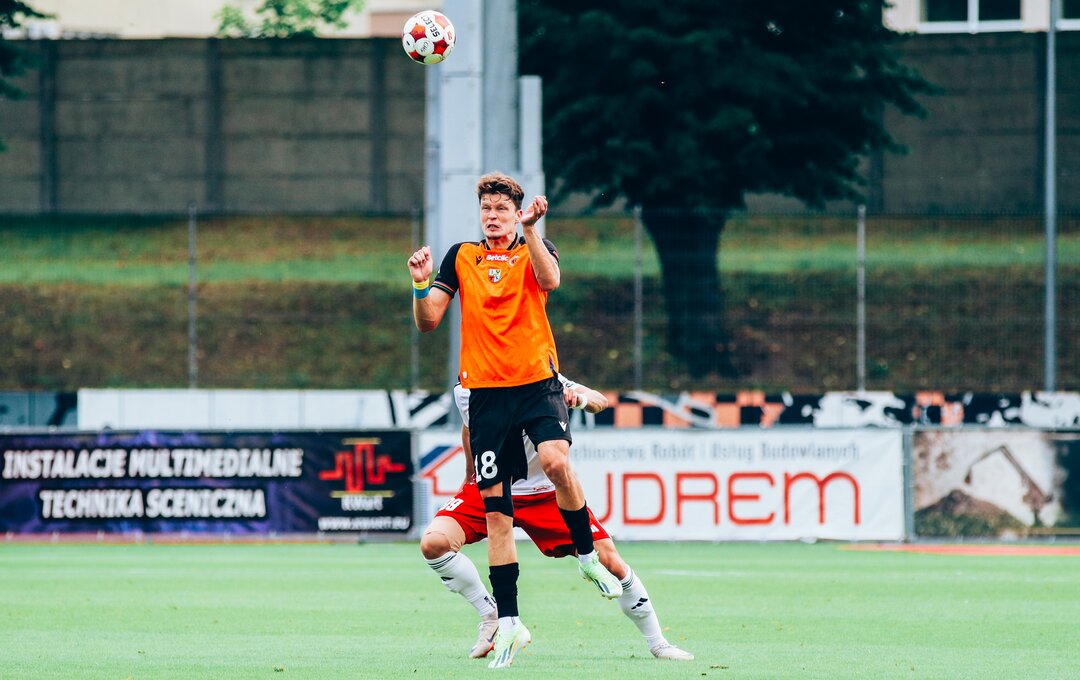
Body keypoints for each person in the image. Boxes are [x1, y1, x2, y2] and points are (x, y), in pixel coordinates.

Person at [408, 172, 621, 668]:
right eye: (487, 208)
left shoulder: (534, 247)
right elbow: (429, 320)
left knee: (556, 461)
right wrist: (419, 283)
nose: (492, 216)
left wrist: (530, 230)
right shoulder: (461, 256)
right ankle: (508, 621)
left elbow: (550, 282)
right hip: (486, 395)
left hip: (536, 383)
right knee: (497, 515)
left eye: (501, 208)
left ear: (516, 212)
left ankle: (587, 557)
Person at [421, 376, 696, 662]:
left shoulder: (543, 376)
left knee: (611, 563)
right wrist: (470, 475)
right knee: (434, 544)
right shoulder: (467, 386)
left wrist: (581, 397)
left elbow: (599, 399)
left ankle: (658, 643)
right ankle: (490, 615)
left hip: (545, 494)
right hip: (491, 486)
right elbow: (470, 427)